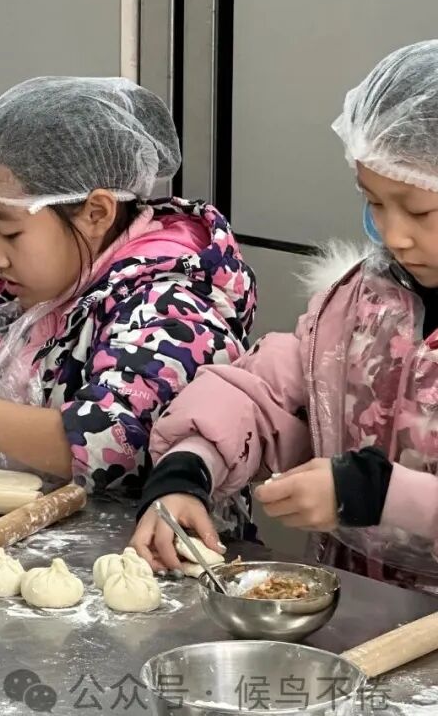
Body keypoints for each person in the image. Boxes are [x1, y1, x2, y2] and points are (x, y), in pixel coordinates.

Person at [0, 76, 256, 491]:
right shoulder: (24, 288)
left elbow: (111, 443)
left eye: (10, 232)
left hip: (152, 531)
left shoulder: (172, 310)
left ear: (96, 213)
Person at [132, 40, 438, 595]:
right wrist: (189, 466)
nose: (394, 235)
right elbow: (265, 392)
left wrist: (382, 494)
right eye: (374, 202)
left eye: (420, 210)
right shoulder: (361, 306)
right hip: (359, 611)